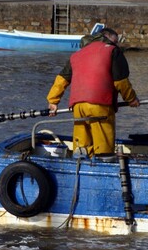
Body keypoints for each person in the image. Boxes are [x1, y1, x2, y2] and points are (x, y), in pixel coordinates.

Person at [47, 28, 140, 157]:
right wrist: (131, 99)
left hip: (78, 106)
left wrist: (53, 101)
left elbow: (62, 79)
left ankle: (79, 168)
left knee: (81, 147)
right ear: (107, 37)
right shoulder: (113, 51)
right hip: (100, 105)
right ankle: (101, 168)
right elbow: (121, 82)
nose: (117, 44)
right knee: (103, 148)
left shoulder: (77, 54)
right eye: (116, 41)